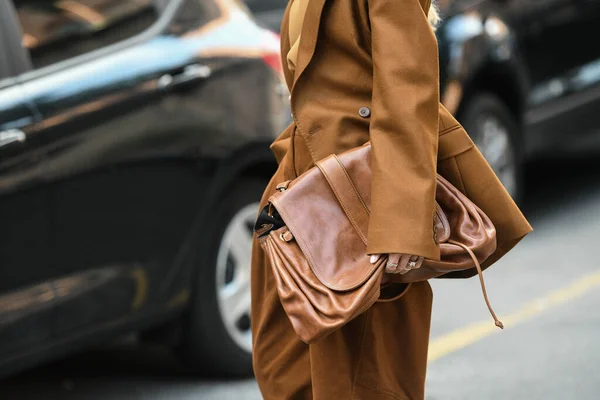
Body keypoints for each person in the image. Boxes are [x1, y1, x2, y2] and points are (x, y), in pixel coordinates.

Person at [250, 0, 532, 398]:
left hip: (366, 208)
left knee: (363, 381)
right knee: (289, 374)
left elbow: (408, 92)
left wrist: (399, 225)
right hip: (306, 201)